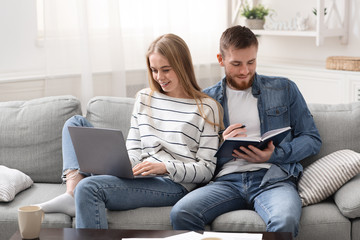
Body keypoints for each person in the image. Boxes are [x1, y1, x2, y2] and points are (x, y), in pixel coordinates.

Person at [37, 33, 223, 229]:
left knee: (89, 187)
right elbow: (134, 148)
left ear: (182, 65)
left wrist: (165, 167)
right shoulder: (144, 98)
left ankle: (75, 195)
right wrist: (122, 165)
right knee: (75, 122)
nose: (159, 77)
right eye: (154, 70)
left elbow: (207, 170)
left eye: (166, 70)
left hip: (173, 183)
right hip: (141, 175)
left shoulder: (206, 108)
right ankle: (71, 193)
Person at [170, 25, 322, 237]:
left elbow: (312, 139)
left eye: (251, 62)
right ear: (221, 59)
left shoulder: (284, 89)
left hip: (273, 179)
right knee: (182, 212)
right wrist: (220, 141)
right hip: (226, 181)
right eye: (236, 64)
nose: (244, 71)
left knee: (284, 220)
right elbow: (193, 153)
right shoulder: (207, 100)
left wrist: (275, 154)